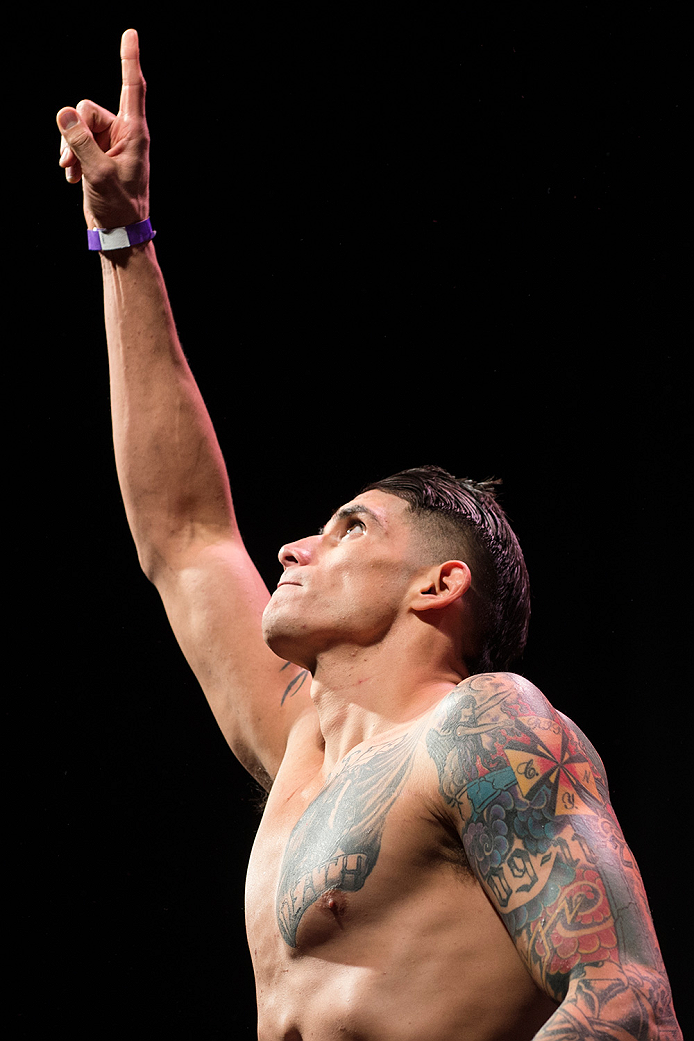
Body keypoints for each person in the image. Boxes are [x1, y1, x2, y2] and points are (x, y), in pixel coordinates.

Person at [56, 30, 681, 1041]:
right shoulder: (307, 743)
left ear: (439, 585)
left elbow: (626, 1006)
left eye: (347, 527)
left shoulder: (486, 730)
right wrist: (122, 238)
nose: (291, 551)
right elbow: (184, 535)